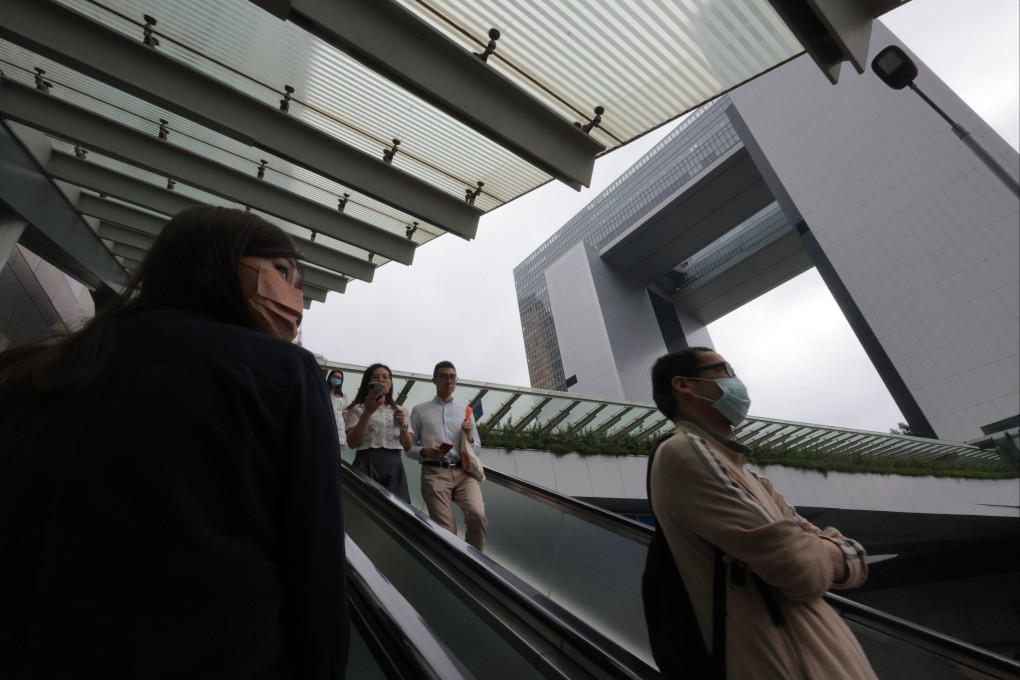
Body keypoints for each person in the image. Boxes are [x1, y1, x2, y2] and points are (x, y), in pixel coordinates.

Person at [0, 206, 348, 679]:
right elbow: (315, 571)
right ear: (224, 264)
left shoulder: (34, 373)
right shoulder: (281, 375)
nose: (296, 297)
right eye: (283, 272)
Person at [643, 347, 876, 680]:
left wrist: (818, 551)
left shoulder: (749, 476)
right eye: (723, 370)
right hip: (790, 665)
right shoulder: (685, 450)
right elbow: (799, 567)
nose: (736, 381)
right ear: (684, 385)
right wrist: (831, 549)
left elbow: (836, 560)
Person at [408, 361, 486, 551]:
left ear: (456, 381)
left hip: (464, 473)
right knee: (447, 530)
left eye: (452, 377)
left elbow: (476, 448)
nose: (448, 381)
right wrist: (425, 451)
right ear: (434, 380)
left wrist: (468, 436)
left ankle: (474, 562)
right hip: (434, 472)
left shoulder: (466, 411)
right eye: (443, 376)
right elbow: (409, 447)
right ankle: (454, 566)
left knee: (477, 515)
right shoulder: (419, 410)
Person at [344, 363, 412, 503]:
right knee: (362, 504)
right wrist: (368, 412)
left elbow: (408, 446)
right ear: (368, 382)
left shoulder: (401, 410)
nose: (381, 380)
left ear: (391, 382)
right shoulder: (357, 409)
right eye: (375, 377)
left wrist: (403, 426)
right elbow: (352, 443)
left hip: (394, 463)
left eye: (385, 377)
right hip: (366, 460)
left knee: (398, 507)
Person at [327, 368, 349, 449]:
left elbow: (345, 411)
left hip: (338, 425)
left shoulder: (342, 396)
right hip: (325, 421)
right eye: (335, 377)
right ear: (329, 377)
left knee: (336, 448)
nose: (336, 379)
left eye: (339, 378)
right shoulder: (323, 392)